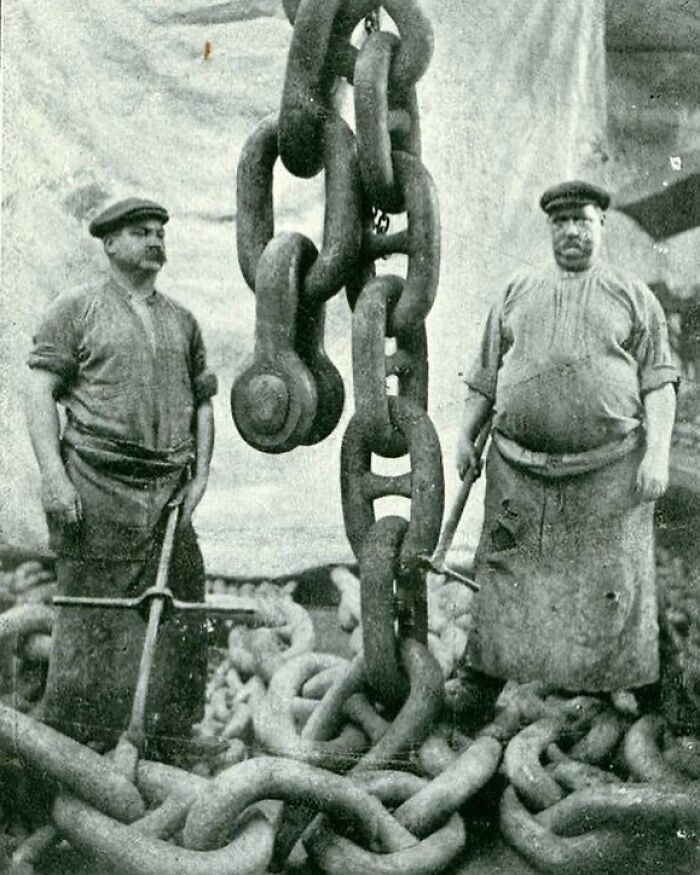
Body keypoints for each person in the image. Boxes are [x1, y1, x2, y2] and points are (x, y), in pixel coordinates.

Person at [455, 180, 678, 722]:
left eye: (582, 220)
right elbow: (484, 377)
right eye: (561, 222)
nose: (572, 231)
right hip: (519, 474)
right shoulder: (516, 290)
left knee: (618, 584)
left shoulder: (632, 295)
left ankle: (655, 694)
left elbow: (659, 383)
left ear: (601, 226)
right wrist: (465, 432)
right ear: (549, 229)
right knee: (505, 575)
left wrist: (657, 455)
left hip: (610, 475)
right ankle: (479, 687)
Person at [25, 198, 218, 760]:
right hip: (95, 487)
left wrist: (200, 477)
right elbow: (40, 392)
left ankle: (172, 742)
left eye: (161, 232)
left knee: (181, 607)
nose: (156, 241)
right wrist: (54, 479)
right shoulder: (76, 309)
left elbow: (204, 406)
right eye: (141, 232)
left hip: (167, 495)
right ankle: (76, 753)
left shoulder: (182, 321)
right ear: (110, 244)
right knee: (93, 619)